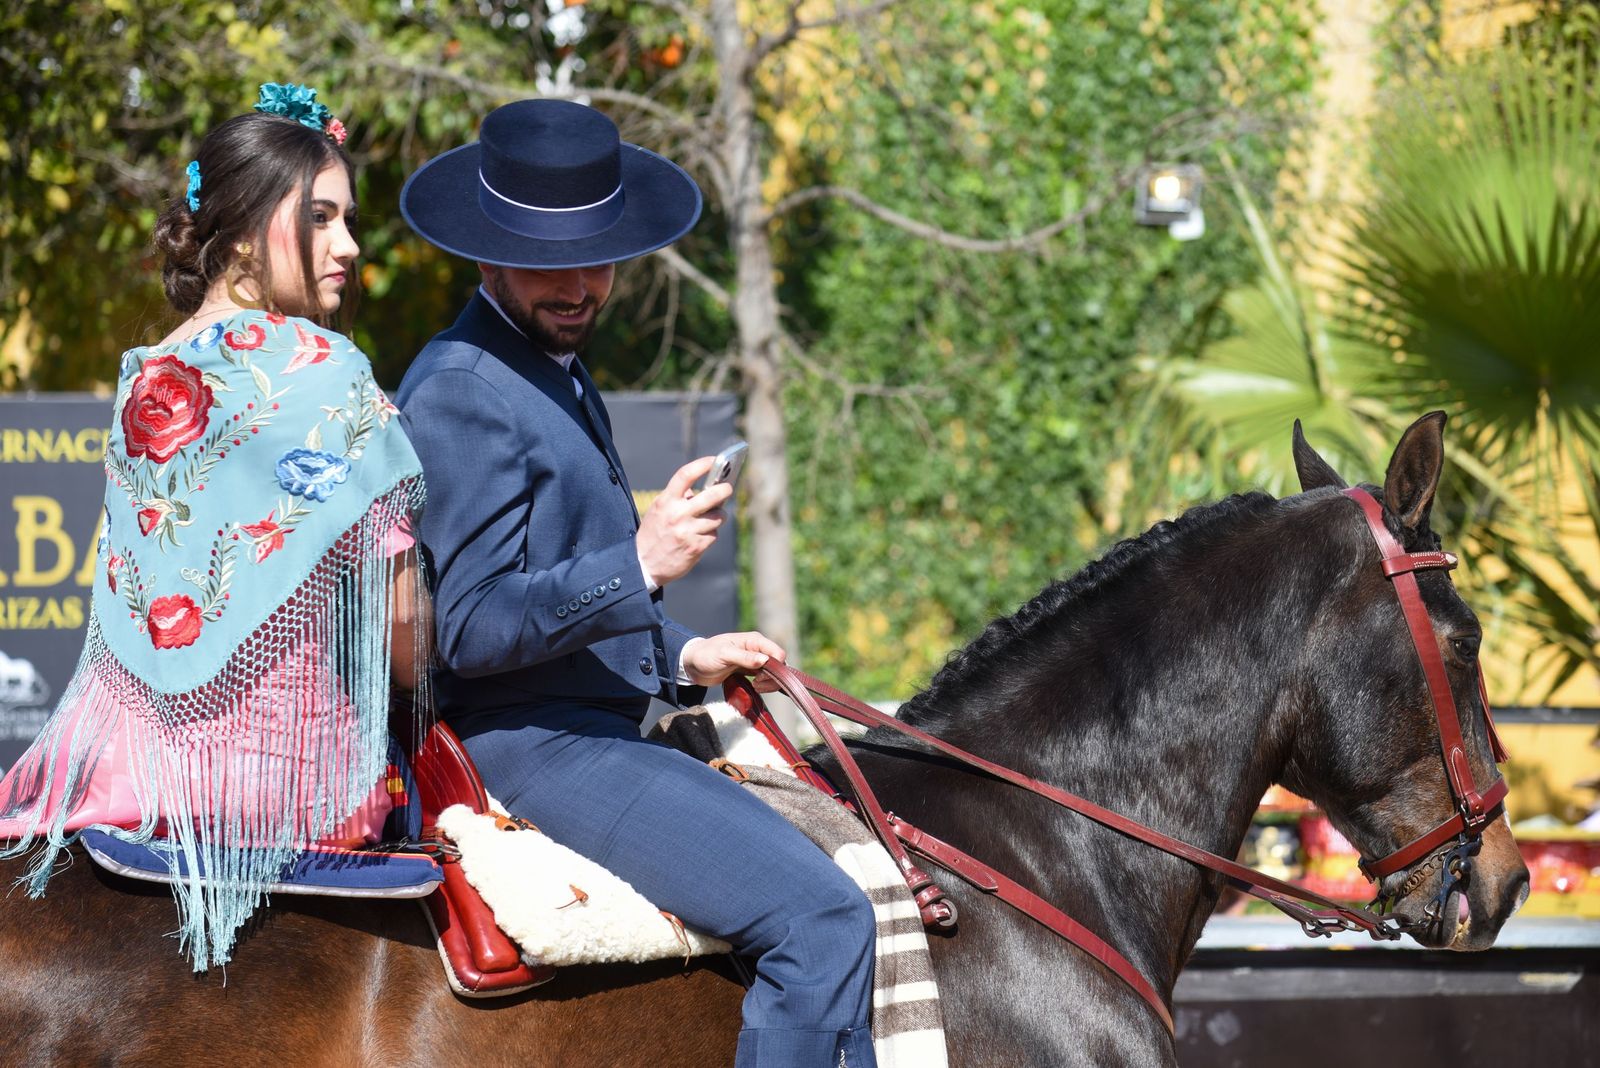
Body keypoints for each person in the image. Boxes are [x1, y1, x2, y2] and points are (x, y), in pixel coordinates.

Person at [396, 99, 878, 1068]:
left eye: (600, 258)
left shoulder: (552, 366)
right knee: (824, 920)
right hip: (530, 748)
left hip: (585, 730)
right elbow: (468, 629)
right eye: (549, 262)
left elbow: (562, 592)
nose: (581, 286)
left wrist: (686, 654)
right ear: (487, 257)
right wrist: (640, 564)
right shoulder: (461, 386)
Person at [0, 83, 428, 970]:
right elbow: (403, 643)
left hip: (122, 776)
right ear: (239, 237)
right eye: (319, 218)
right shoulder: (329, 370)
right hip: (288, 789)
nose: (349, 246)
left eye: (348, 220)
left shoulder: (143, 377)